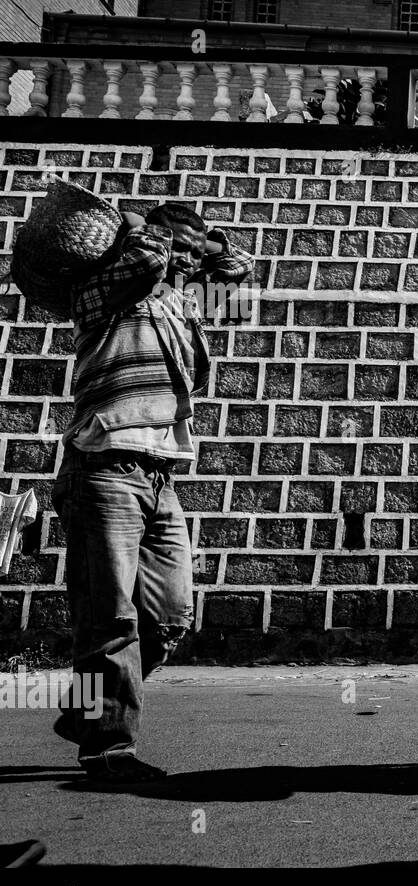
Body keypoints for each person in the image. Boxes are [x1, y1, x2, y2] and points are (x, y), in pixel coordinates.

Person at [51, 202, 253, 784]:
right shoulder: (102, 292)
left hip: (160, 472)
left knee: (168, 616)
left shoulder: (179, 302)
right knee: (108, 615)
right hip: (104, 464)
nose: (183, 262)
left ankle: (82, 711)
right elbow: (142, 258)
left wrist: (210, 244)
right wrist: (146, 232)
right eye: (176, 249)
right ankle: (107, 747)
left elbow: (238, 272)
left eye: (188, 254)